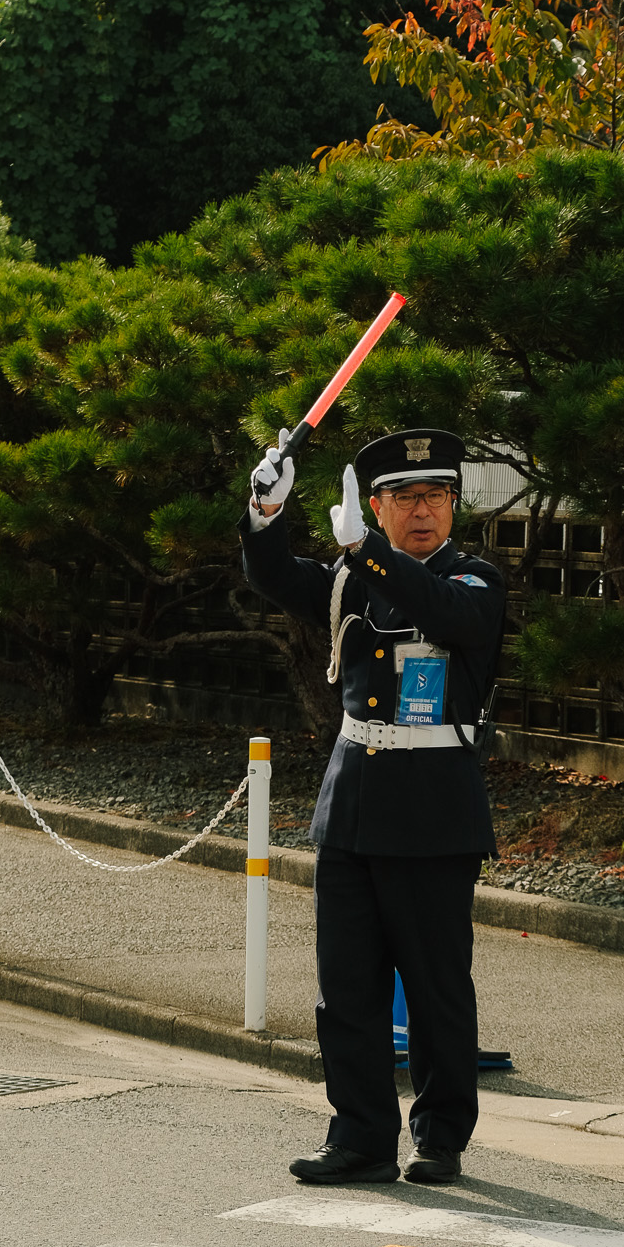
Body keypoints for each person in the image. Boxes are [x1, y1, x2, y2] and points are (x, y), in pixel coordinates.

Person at [242, 427, 505, 1185]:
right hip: (354, 804)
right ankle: (359, 1135)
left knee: (435, 989)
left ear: (453, 506)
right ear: (376, 507)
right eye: (401, 497)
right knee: (346, 989)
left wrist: (366, 552)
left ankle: (441, 1135)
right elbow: (274, 579)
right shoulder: (351, 577)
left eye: (435, 495)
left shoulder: (474, 582)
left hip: (433, 811)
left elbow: (443, 614)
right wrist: (265, 512)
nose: (421, 510)